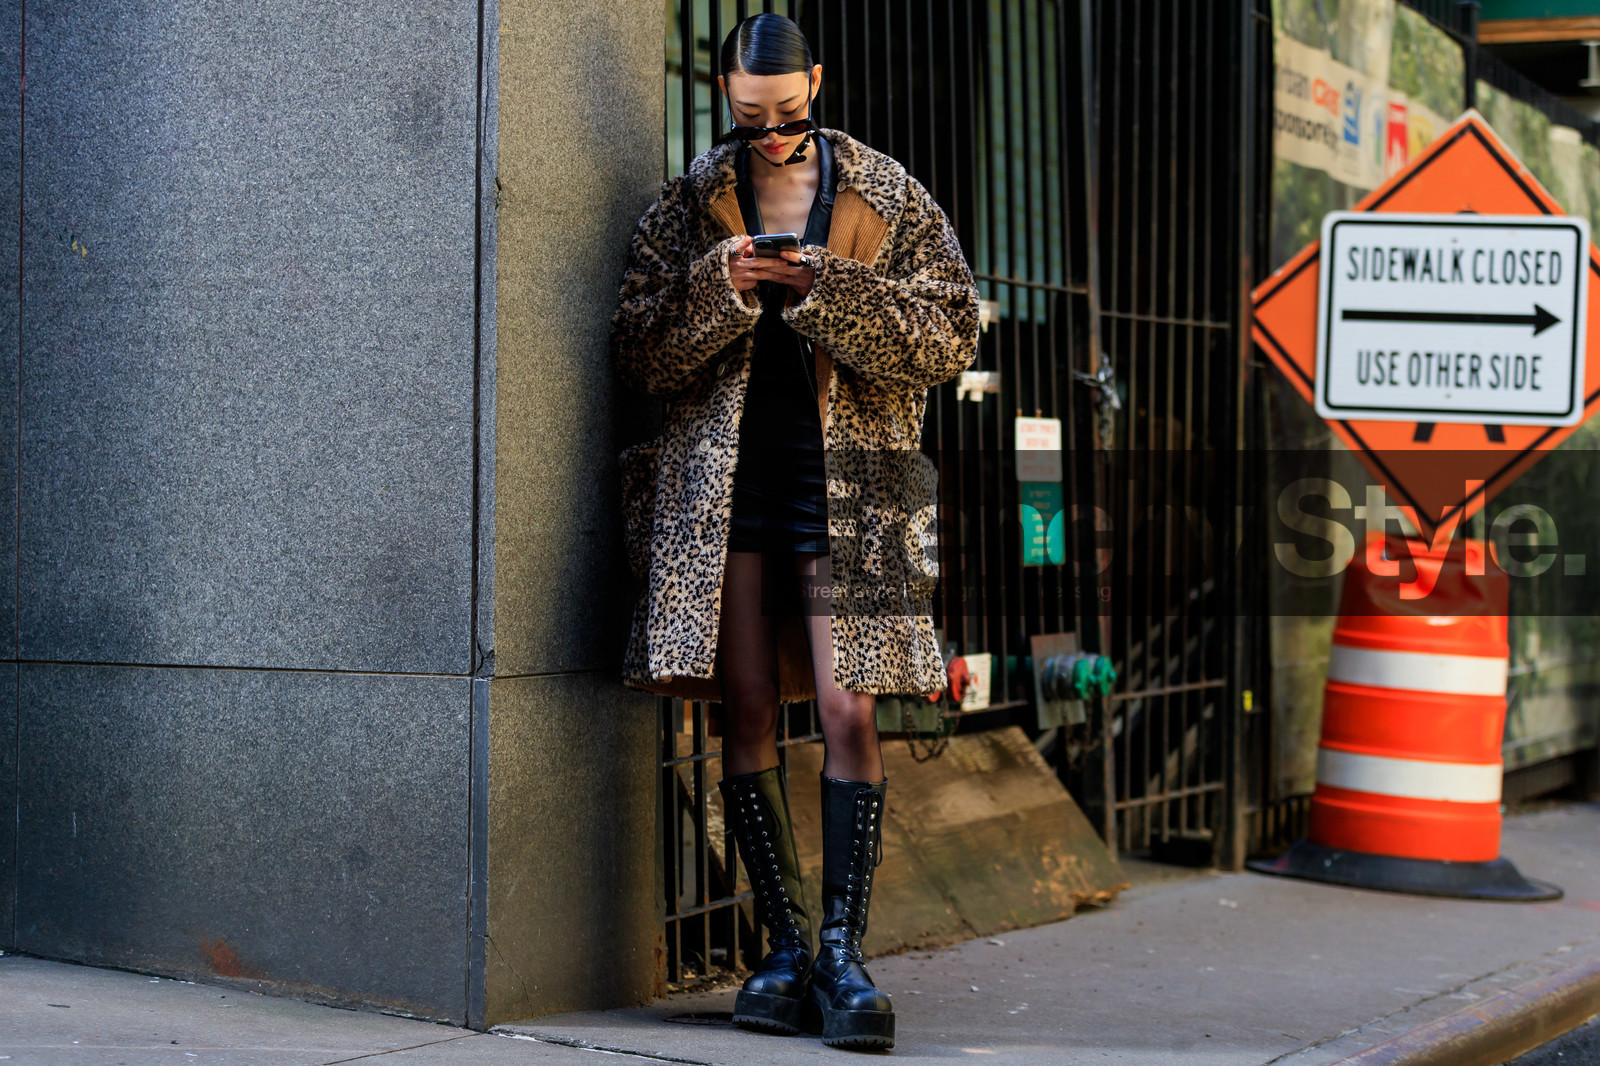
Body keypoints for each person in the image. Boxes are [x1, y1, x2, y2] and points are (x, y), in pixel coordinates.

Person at [610, 13, 978, 1052]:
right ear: (725, 95)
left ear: (816, 81)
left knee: (848, 705)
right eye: (750, 116)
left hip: (852, 486)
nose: (771, 135)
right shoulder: (687, 205)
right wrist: (719, 288)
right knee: (747, 706)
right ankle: (783, 950)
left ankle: (844, 956)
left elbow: (950, 334)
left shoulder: (888, 194)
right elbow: (635, 348)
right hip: (727, 491)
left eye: (788, 113)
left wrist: (827, 290)